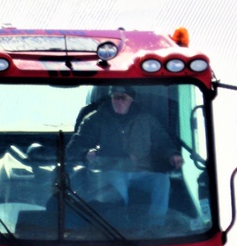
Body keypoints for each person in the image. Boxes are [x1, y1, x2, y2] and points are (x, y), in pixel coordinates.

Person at [67, 85, 183, 225]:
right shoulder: (96, 119)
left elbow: (162, 141)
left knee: (162, 181)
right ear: (111, 98)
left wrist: (172, 154)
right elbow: (74, 148)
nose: (119, 101)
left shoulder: (146, 119)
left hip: (141, 171)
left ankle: (156, 224)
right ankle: (122, 227)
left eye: (123, 97)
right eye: (116, 97)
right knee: (117, 186)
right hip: (111, 170)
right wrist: (85, 153)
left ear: (131, 100)